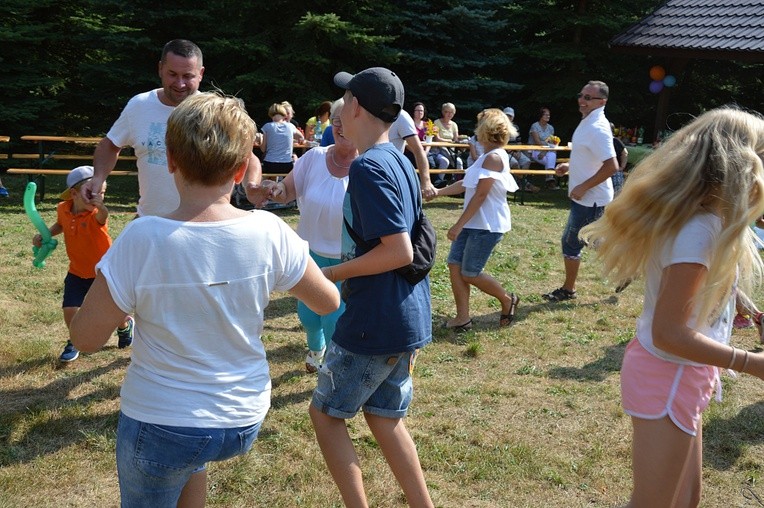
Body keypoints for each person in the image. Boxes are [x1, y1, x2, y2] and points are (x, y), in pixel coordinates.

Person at [69, 92, 340, 507]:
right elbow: (327, 301)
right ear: (238, 170)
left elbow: (86, 339)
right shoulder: (270, 231)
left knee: (177, 460)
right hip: (241, 417)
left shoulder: (142, 239)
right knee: (191, 461)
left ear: (171, 161)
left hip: (163, 422)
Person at [579, 107, 764, 508]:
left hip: (677, 374)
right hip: (669, 374)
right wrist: (750, 363)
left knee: (685, 500)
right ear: (741, 164)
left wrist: (741, 306)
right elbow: (669, 332)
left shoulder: (700, 222)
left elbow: (693, 287)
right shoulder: (700, 229)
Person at [309, 67, 434, 508]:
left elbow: (398, 251)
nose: (340, 107)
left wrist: (328, 275)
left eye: (345, 99)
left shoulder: (367, 167)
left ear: (355, 107)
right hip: (407, 315)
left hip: (375, 320)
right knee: (384, 419)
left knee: (325, 415)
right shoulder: (399, 158)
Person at [81, 39, 264, 216]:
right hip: (152, 222)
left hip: (201, 223)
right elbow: (110, 145)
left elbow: (247, 157)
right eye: (172, 74)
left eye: (188, 76)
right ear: (160, 68)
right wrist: (98, 178)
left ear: (200, 73)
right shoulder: (139, 105)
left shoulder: (213, 111)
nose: (180, 84)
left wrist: (252, 186)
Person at [264, 98, 356, 372]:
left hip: (346, 259)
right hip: (309, 254)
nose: (340, 127)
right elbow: (288, 190)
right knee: (307, 314)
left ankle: (334, 367)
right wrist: (276, 190)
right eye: (336, 120)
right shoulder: (314, 157)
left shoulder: (368, 165)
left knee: (333, 316)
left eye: (347, 120)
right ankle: (317, 350)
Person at [430, 109, 521, 331]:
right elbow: (466, 184)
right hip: (475, 224)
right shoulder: (485, 157)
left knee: (470, 272)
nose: (475, 131)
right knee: (454, 265)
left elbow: (481, 194)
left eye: (479, 126)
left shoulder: (493, 158)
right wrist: (437, 192)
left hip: (486, 225)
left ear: (486, 130)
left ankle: (508, 299)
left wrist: (458, 225)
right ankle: (462, 317)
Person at [32, 166, 133, 363]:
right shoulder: (63, 209)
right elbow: (61, 225)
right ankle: (74, 340)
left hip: (103, 272)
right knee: (70, 309)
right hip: (77, 271)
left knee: (113, 312)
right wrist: (45, 236)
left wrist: (101, 206)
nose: (98, 198)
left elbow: (103, 216)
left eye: (102, 193)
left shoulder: (95, 213)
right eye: (93, 193)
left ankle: (125, 326)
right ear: (74, 194)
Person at [541, 81, 618, 302]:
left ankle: (568, 289)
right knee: (596, 241)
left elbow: (612, 166)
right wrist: (569, 167)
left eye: (588, 97)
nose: (582, 100)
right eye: (581, 95)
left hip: (591, 199)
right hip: (587, 198)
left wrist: (584, 186)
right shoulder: (588, 121)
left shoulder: (598, 128)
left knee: (571, 241)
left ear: (602, 102)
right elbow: (588, 156)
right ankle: (631, 267)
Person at [389, 107, 437, 199]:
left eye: (421, 111)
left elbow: (418, 149)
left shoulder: (401, 116)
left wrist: (426, 183)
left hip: (392, 173)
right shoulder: (360, 112)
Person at [259, 102, 304, 175]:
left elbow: (263, 149)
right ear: (284, 115)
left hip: (270, 165)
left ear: (271, 115)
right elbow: (301, 137)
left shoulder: (267, 126)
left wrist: (261, 139)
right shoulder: (291, 126)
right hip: (287, 165)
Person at [529, 107, 558, 189]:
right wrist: (545, 149)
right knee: (550, 160)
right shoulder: (534, 126)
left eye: (549, 115)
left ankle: (549, 180)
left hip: (546, 151)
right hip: (535, 150)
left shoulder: (551, 128)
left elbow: (552, 142)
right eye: (546, 115)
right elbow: (537, 142)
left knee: (552, 154)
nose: (548, 116)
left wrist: (544, 151)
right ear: (541, 115)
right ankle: (550, 181)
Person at [611, 123, 629, 195]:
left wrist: (622, 167)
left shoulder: (615, 141)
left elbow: (625, 153)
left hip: (613, 171)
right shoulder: (616, 140)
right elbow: (625, 153)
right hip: (615, 171)